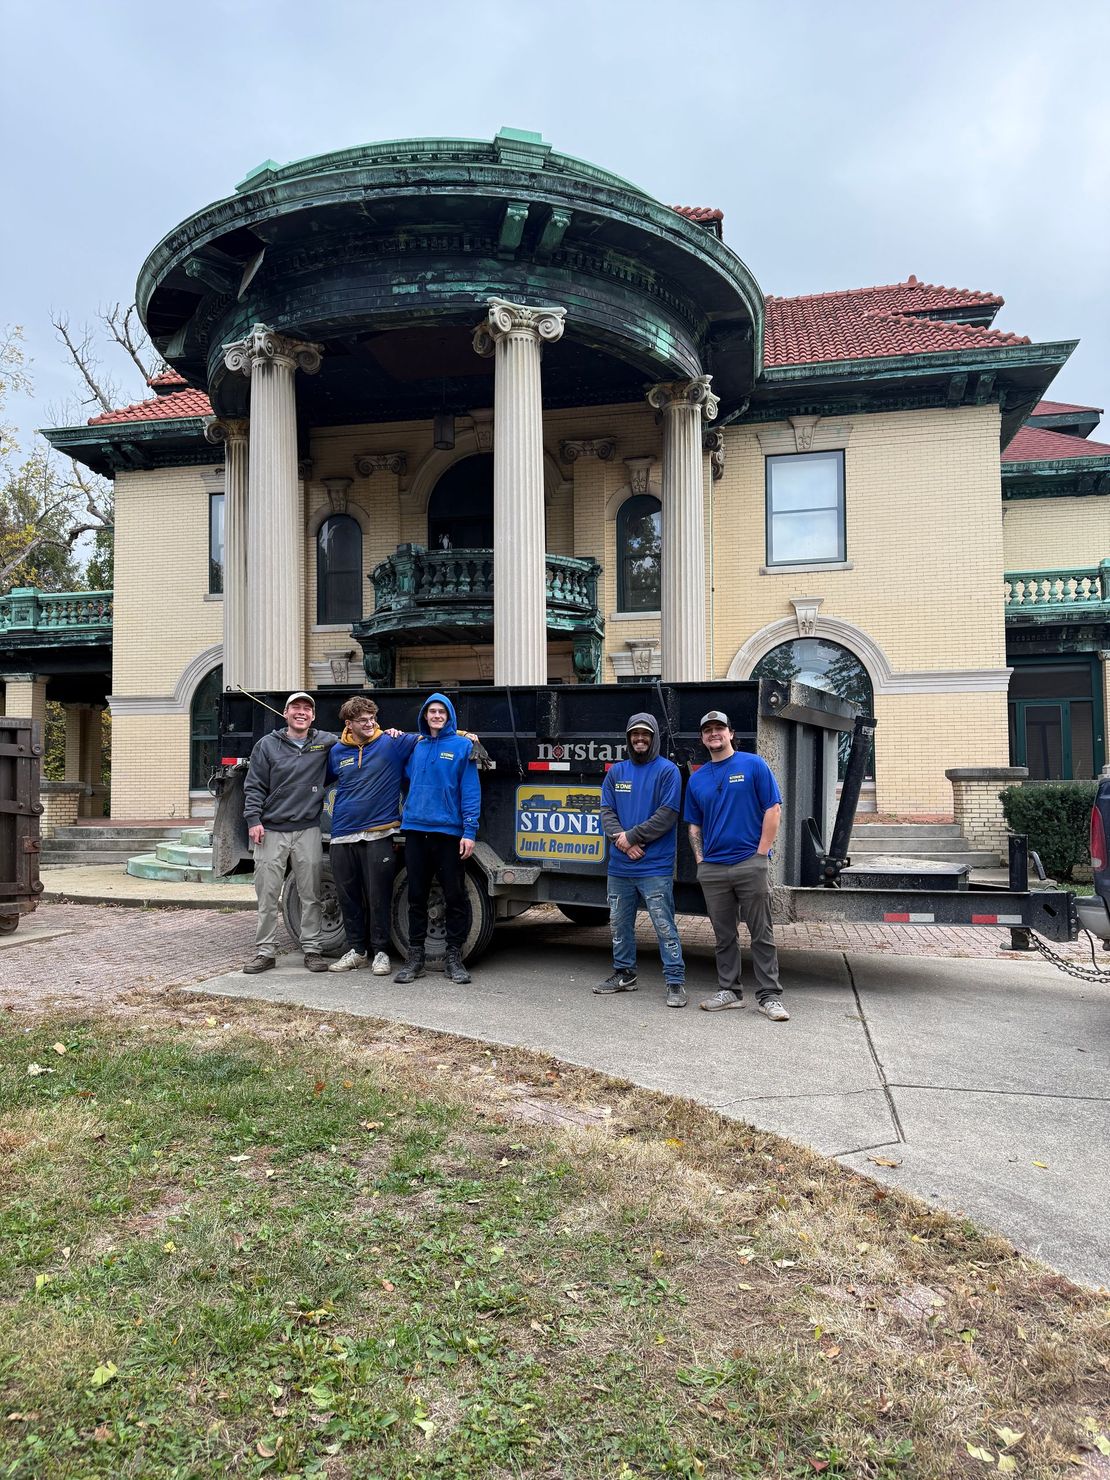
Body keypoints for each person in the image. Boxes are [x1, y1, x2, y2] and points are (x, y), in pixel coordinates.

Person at [684, 709, 790, 1021]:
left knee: (762, 932)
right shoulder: (698, 778)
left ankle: (769, 996)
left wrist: (761, 855)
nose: (713, 734)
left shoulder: (753, 764)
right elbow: (694, 826)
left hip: (749, 863)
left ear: (731, 733)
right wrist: (702, 862)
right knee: (723, 934)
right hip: (714, 869)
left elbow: (773, 809)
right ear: (703, 738)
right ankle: (729, 991)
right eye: (708, 730)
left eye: (719, 728)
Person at [242, 691, 337, 974]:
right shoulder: (267, 745)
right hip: (271, 829)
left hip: (308, 829)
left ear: (314, 716)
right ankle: (265, 952)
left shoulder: (325, 742)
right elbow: (254, 784)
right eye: (295, 707)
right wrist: (253, 820)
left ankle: (312, 949)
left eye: (307, 708)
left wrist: (392, 733)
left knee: (310, 894)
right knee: (268, 895)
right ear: (285, 713)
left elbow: (359, 736)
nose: (301, 712)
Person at [595, 713, 687, 1007]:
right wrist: (622, 841)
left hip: (654, 866)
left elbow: (668, 814)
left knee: (664, 925)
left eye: (645, 734)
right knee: (619, 924)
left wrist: (631, 837)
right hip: (620, 866)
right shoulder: (616, 772)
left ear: (654, 737)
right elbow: (606, 812)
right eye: (634, 734)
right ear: (628, 738)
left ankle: (675, 982)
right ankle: (624, 974)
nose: (639, 739)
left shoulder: (668, 771)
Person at [326, 695, 419, 976]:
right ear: (349, 723)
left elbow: (430, 734)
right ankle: (357, 952)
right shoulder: (337, 752)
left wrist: (467, 735)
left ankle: (381, 952)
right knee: (348, 897)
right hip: (342, 834)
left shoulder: (392, 742)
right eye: (362, 720)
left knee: (379, 896)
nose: (369, 724)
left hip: (379, 834)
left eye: (372, 718)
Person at [394, 692, 481, 986]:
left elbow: (470, 790)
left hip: (448, 833)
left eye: (441, 711)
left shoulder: (462, 746)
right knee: (416, 896)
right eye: (431, 711)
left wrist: (469, 831)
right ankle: (414, 958)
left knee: (454, 896)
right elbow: (405, 780)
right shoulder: (417, 748)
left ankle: (453, 958)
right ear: (424, 716)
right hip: (416, 831)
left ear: (449, 716)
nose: (436, 716)